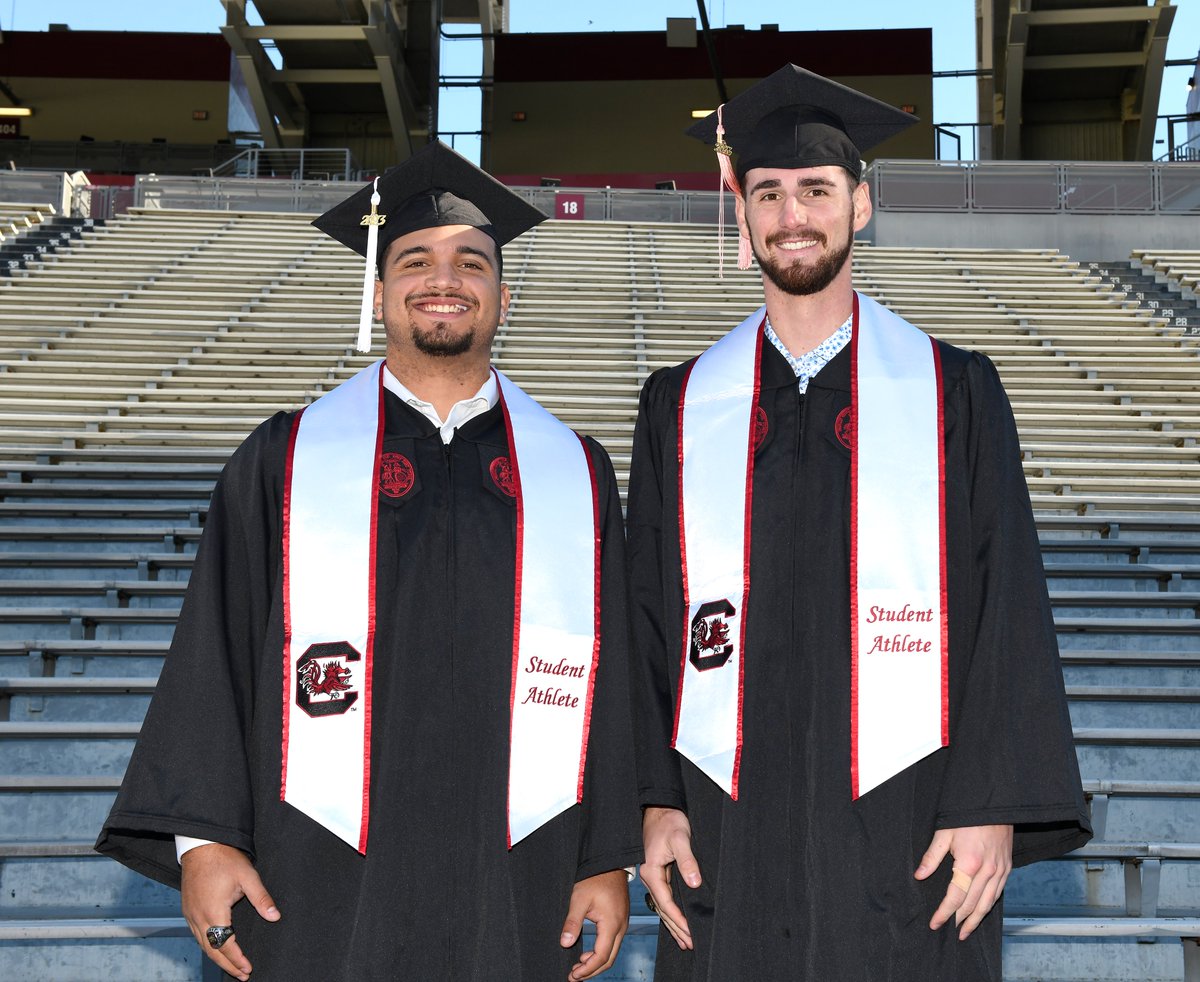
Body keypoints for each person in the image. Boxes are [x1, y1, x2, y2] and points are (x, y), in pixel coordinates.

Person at [96, 141, 641, 982]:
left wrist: (606, 857)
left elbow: (612, 676)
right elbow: (216, 649)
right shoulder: (286, 458)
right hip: (314, 866)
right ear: (379, 291)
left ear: (502, 295)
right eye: (414, 260)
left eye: (472, 262)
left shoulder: (573, 470)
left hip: (522, 863)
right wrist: (204, 842)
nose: (443, 279)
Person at [627, 65, 1091, 981]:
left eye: (816, 189)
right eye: (768, 192)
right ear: (742, 212)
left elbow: (1008, 601)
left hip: (914, 821)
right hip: (726, 823)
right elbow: (645, 617)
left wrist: (990, 801)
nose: (791, 213)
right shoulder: (678, 407)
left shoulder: (954, 391)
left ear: (861, 205)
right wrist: (653, 797)